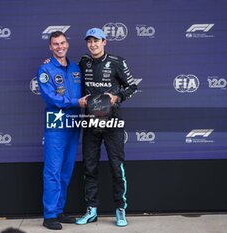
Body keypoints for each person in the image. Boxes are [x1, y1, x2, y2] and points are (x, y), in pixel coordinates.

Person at [76, 28, 138, 227]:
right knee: (89, 167)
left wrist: (117, 98)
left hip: (113, 122)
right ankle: (91, 210)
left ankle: (120, 210)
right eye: (90, 41)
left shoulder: (117, 62)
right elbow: (68, 73)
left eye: (97, 41)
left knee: (116, 167)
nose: (93, 44)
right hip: (90, 121)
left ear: (105, 42)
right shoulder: (83, 62)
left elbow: (132, 86)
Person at [37, 31, 86, 230]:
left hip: (74, 123)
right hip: (56, 124)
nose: (60, 46)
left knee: (66, 171)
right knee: (53, 171)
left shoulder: (76, 68)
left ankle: (59, 211)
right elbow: (51, 98)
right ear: (50, 47)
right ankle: (49, 216)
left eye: (63, 43)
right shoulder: (45, 68)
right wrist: (76, 102)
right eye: (55, 44)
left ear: (68, 44)